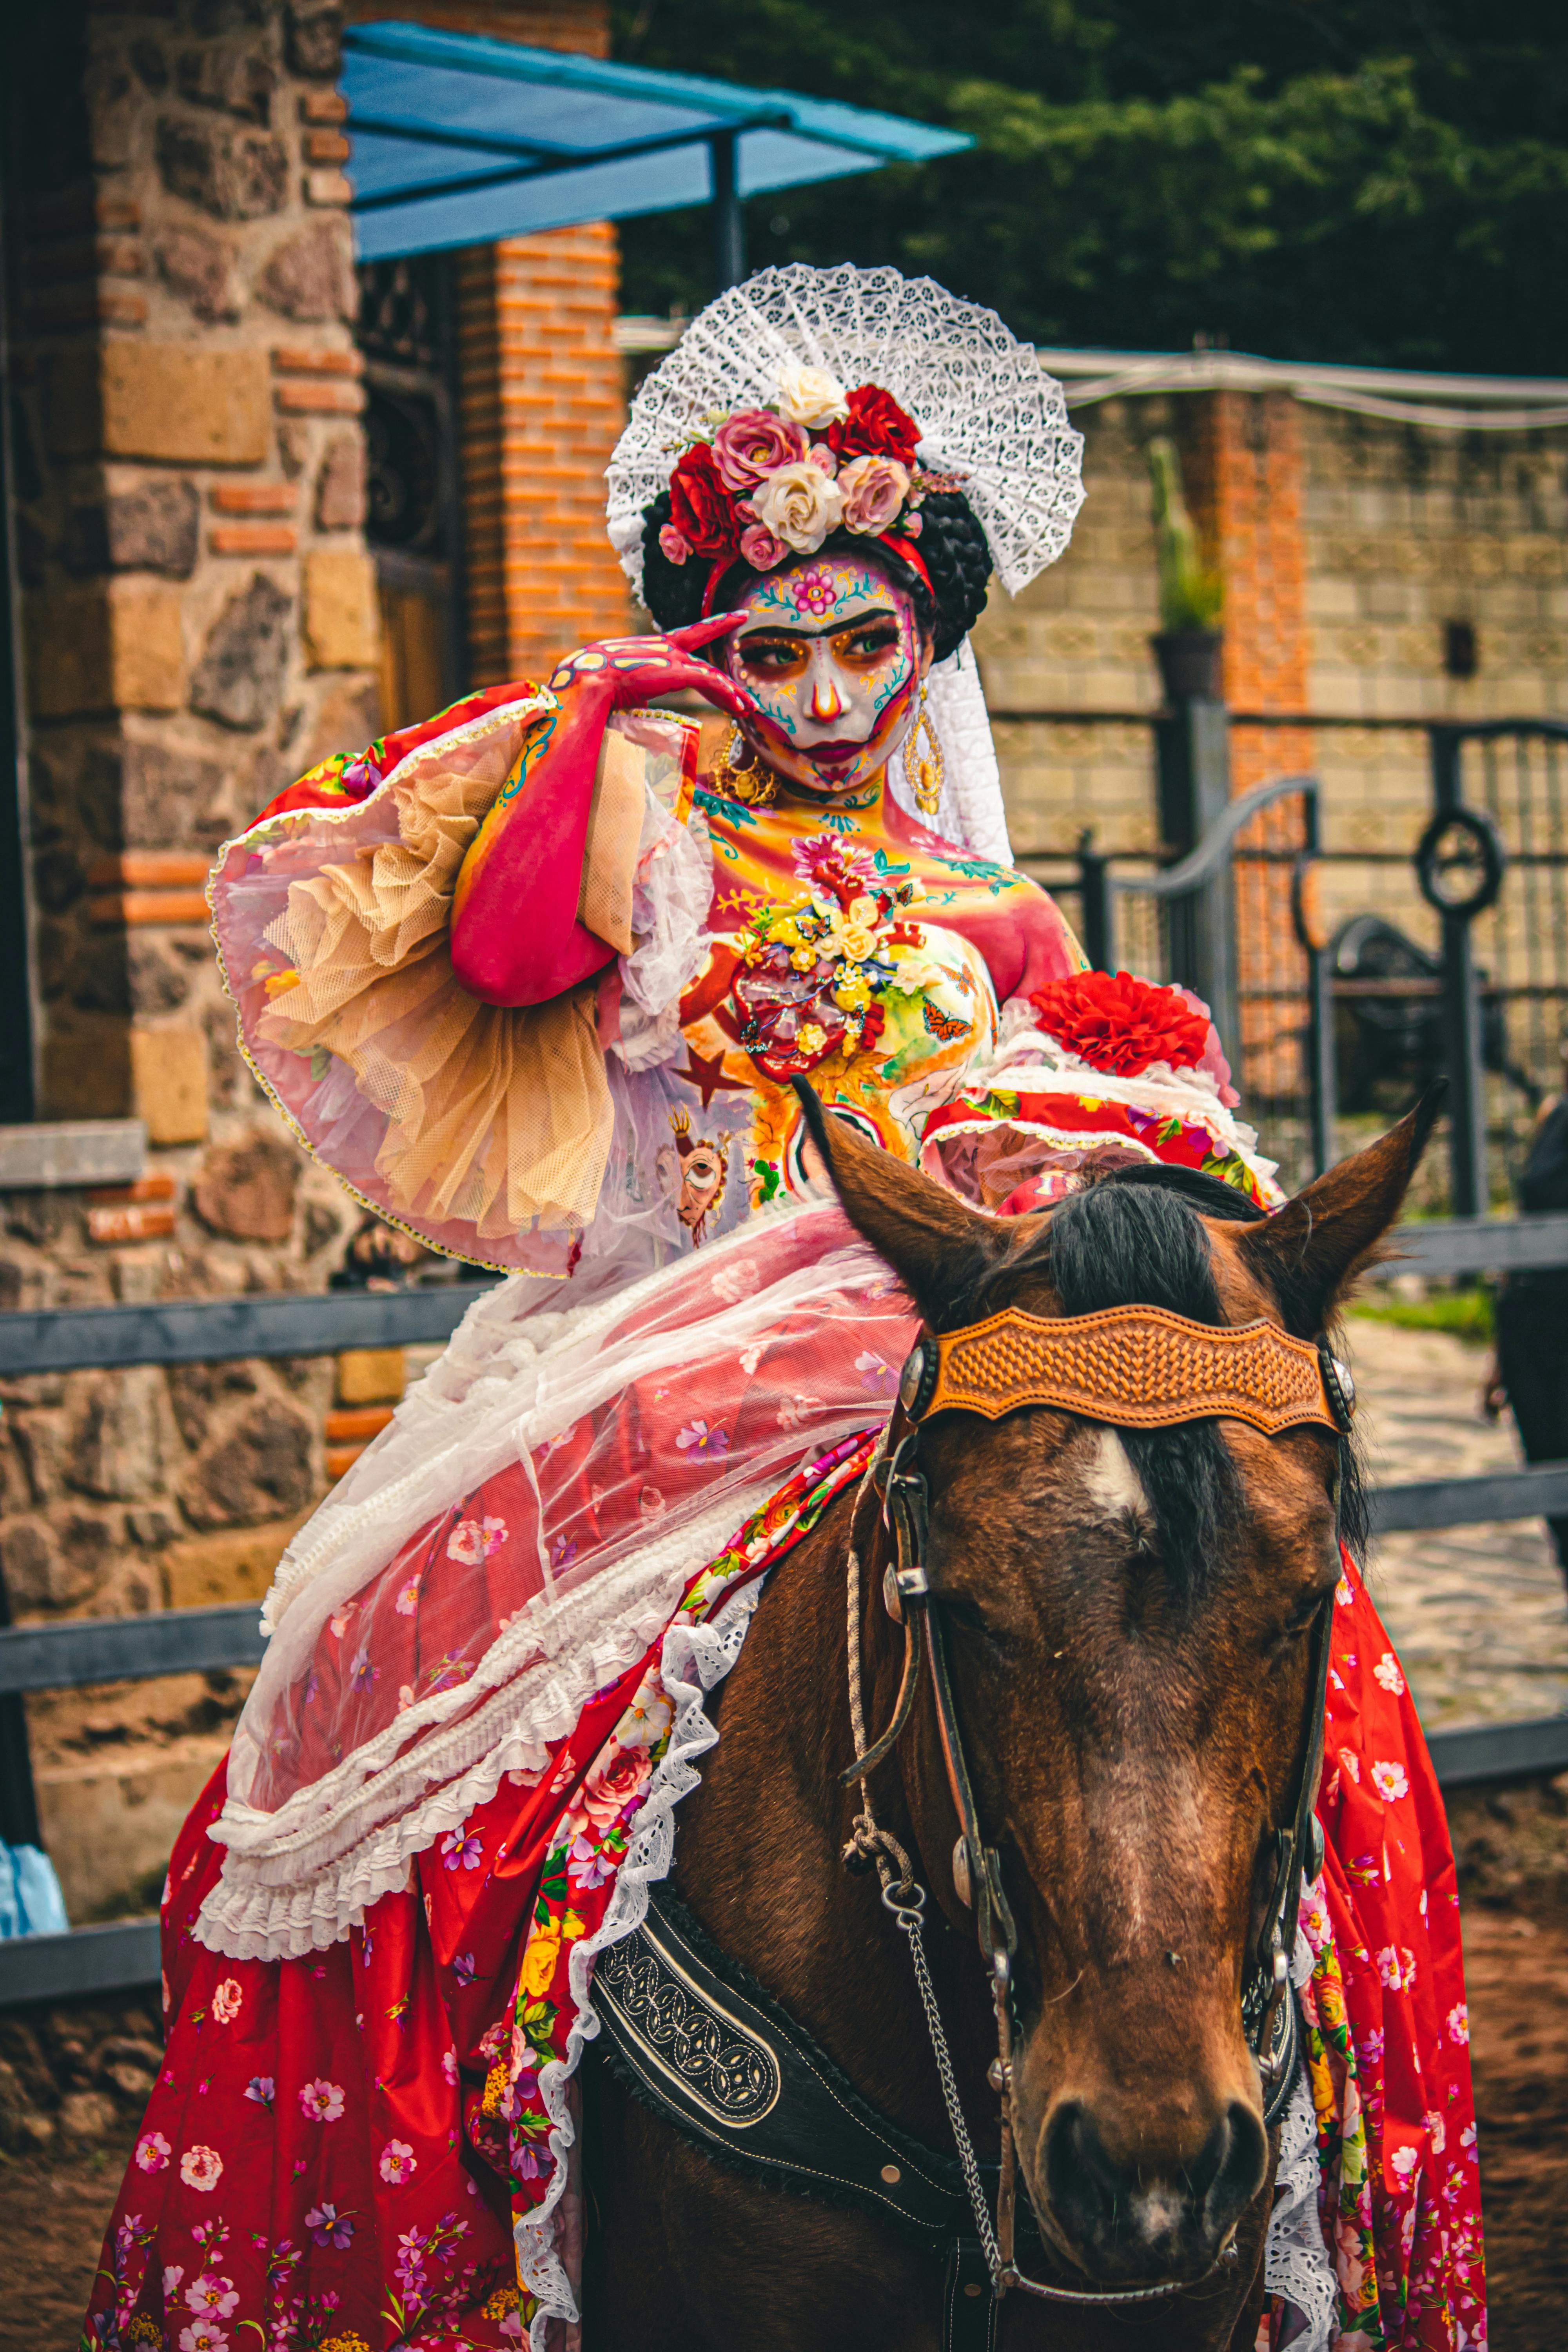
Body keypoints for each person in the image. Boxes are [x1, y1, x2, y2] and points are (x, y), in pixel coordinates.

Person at [85, 267, 1481, 2352]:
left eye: (864, 648)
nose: (822, 693)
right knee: (366, 1671)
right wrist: (599, 726)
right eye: (775, 649)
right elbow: (499, 932)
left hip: (936, 1317)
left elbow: (1071, 1097)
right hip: (670, 1335)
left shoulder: (983, 907)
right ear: (716, 648)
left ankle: (1333, 2128)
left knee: (1291, 1638)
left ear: (925, 659)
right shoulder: (650, 844)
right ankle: (440, 2201)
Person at [1484, 1024, 1568, 1578]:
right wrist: (1496, 1360)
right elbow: (1524, 1226)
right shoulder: (1553, 1114)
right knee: (1549, 1478)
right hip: (1533, 1329)